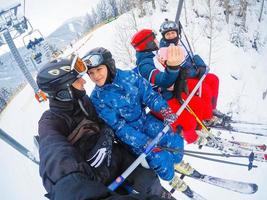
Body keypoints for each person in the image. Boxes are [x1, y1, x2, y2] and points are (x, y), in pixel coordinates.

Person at [36, 55, 174, 200]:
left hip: (116, 157)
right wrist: (71, 184)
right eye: (77, 80)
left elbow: (105, 120)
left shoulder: (84, 101)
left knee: (148, 179)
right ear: (64, 91)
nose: (84, 81)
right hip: (97, 178)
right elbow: (55, 155)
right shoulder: (51, 122)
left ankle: (161, 193)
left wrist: (105, 134)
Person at [84, 47, 194, 193]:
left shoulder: (129, 76)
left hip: (145, 119)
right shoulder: (97, 98)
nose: (96, 76)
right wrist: (143, 142)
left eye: (99, 69)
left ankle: (177, 162)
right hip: (131, 135)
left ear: (109, 66)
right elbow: (118, 127)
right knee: (158, 157)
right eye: (91, 73)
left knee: (173, 140)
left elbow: (149, 95)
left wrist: (163, 109)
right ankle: (171, 177)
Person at [131, 29, 206, 144]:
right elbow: (162, 80)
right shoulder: (144, 65)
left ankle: (198, 129)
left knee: (198, 104)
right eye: (154, 39)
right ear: (148, 43)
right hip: (160, 101)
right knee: (187, 121)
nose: (157, 41)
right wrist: (172, 68)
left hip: (170, 93)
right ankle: (194, 138)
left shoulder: (155, 55)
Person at [158, 19, 225, 124]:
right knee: (206, 89)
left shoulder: (179, 43)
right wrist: (195, 72)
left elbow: (191, 56)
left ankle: (212, 108)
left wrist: (200, 65)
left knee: (213, 79)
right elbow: (175, 70)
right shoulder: (165, 51)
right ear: (164, 36)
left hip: (192, 73)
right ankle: (207, 117)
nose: (171, 36)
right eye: (168, 34)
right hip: (181, 80)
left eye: (173, 33)